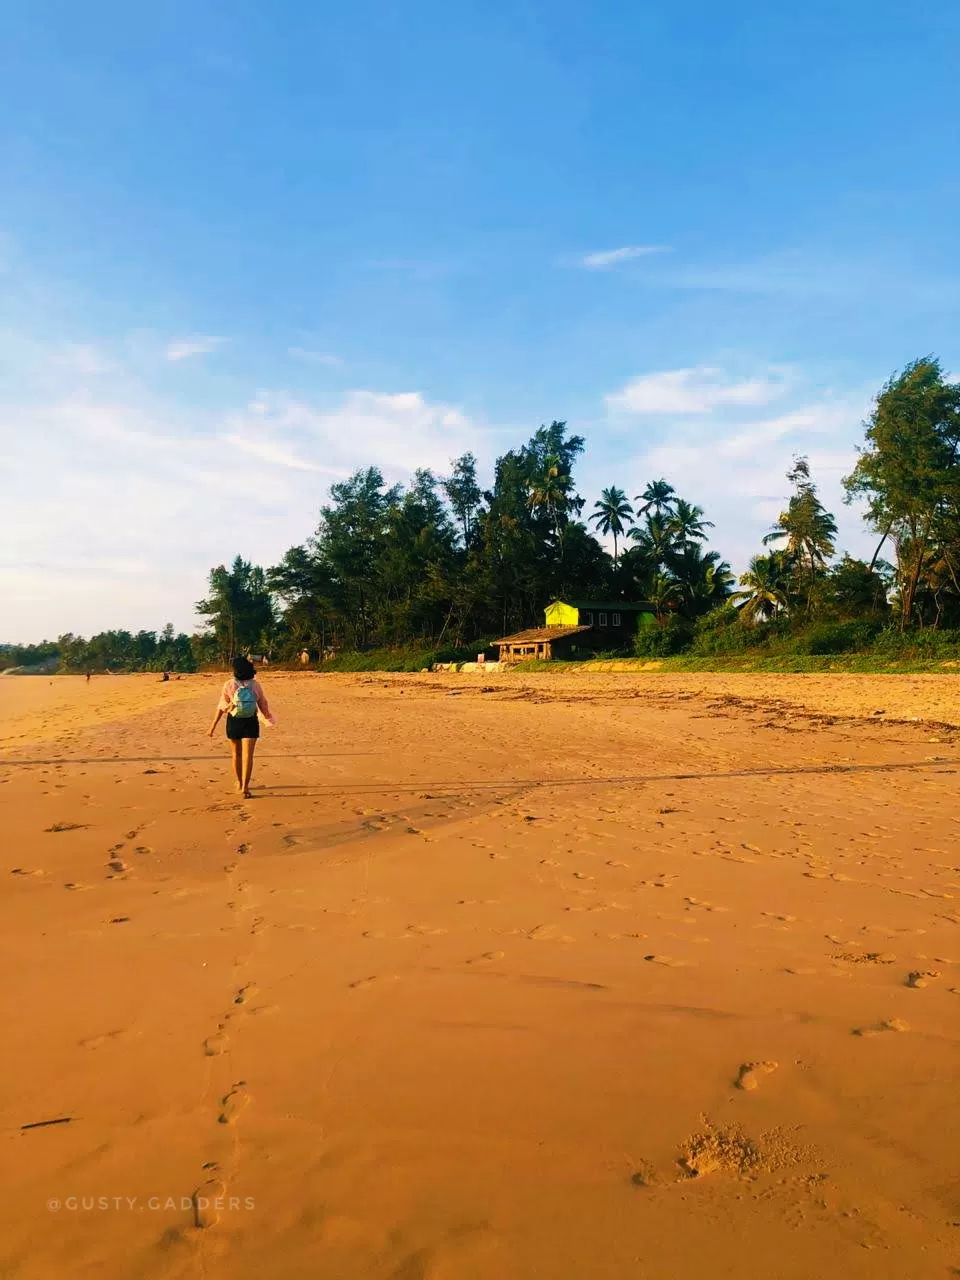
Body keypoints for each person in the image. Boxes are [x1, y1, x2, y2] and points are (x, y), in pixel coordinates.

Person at [208, 657, 275, 797]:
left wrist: (212, 727)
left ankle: (238, 782)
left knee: (236, 754)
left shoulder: (229, 684)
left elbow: (221, 707)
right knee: (248, 756)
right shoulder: (255, 685)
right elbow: (263, 703)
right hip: (250, 721)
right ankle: (245, 787)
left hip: (234, 721)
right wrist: (268, 717)